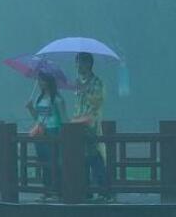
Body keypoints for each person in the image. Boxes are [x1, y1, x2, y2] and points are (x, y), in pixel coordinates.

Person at [72, 51, 112, 201]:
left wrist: (85, 92)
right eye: (76, 63)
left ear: (88, 64)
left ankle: (103, 191)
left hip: (91, 124)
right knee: (82, 159)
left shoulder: (97, 82)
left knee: (95, 156)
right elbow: (77, 105)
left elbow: (97, 102)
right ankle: (85, 191)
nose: (78, 66)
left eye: (80, 62)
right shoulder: (78, 82)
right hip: (77, 125)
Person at [26, 72, 66, 201]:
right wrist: (31, 108)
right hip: (40, 132)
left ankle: (56, 191)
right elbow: (37, 117)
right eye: (39, 80)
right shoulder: (39, 98)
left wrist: (63, 133)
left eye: (42, 80)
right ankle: (47, 190)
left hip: (53, 132)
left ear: (48, 82)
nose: (39, 83)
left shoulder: (57, 99)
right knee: (44, 162)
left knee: (54, 162)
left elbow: (63, 118)